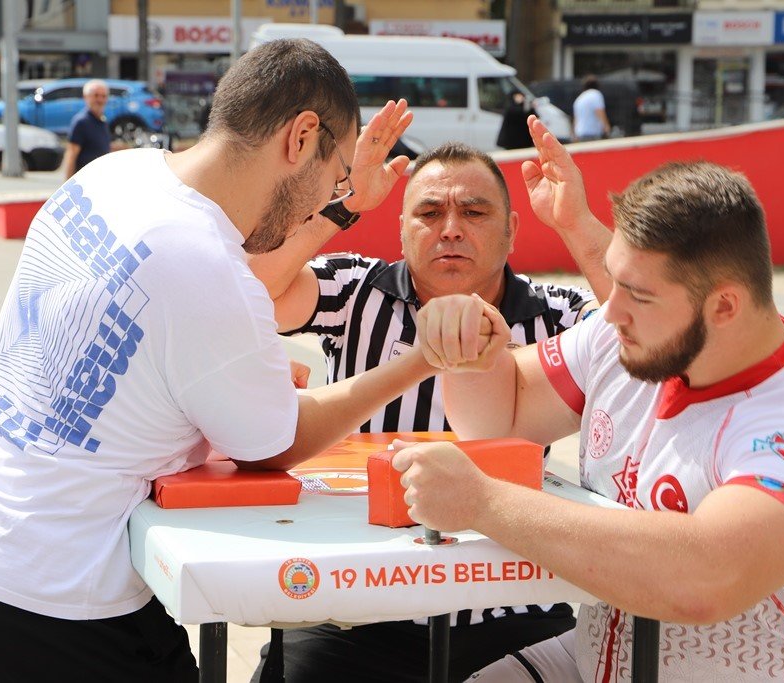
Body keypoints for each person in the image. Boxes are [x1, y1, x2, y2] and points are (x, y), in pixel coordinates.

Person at [0, 39, 442, 682]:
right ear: (301, 138)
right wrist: (417, 361)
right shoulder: (207, 272)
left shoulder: (114, 175)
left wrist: (339, 213)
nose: (327, 195)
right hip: (52, 603)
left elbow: (191, 309)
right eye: (336, 176)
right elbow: (278, 442)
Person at [397, 135, 784, 681]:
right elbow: (502, 411)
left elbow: (703, 578)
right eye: (614, 281)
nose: (610, 310)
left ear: (724, 306)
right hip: (593, 657)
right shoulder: (628, 334)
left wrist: (481, 502)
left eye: (638, 295)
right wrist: (468, 348)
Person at [247, 114, 613, 681]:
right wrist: (343, 206)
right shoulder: (356, 291)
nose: (450, 229)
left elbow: (649, 331)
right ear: (400, 229)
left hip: (506, 598)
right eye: (429, 212)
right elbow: (252, 288)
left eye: (473, 212)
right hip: (355, 598)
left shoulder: (557, 313)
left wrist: (578, 225)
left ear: (513, 229)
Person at [62, 79, 113, 178]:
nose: (100, 100)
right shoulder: (81, 122)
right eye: (96, 95)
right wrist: (68, 184)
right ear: (86, 97)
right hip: (85, 181)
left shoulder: (103, 120)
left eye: (103, 96)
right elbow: (71, 155)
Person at [572, 75, 610, 142]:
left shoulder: (579, 99)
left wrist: (574, 135)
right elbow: (599, 112)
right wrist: (607, 128)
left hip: (580, 134)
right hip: (592, 134)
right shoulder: (596, 94)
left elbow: (576, 120)